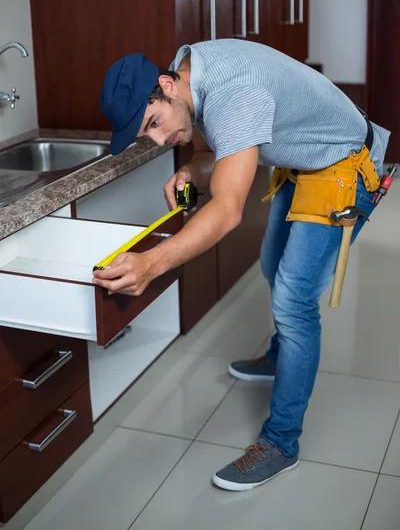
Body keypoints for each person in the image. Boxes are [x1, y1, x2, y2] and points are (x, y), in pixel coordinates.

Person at [94, 39, 390, 492]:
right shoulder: (190, 75)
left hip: (345, 164)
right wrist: (192, 172)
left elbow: (229, 209)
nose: (157, 140)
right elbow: (213, 149)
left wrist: (152, 264)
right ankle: (281, 356)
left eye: (154, 123)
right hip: (305, 161)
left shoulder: (235, 89)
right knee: (273, 265)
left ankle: (281, 443)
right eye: (146, 135)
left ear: (166, 85)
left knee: (294, 301)